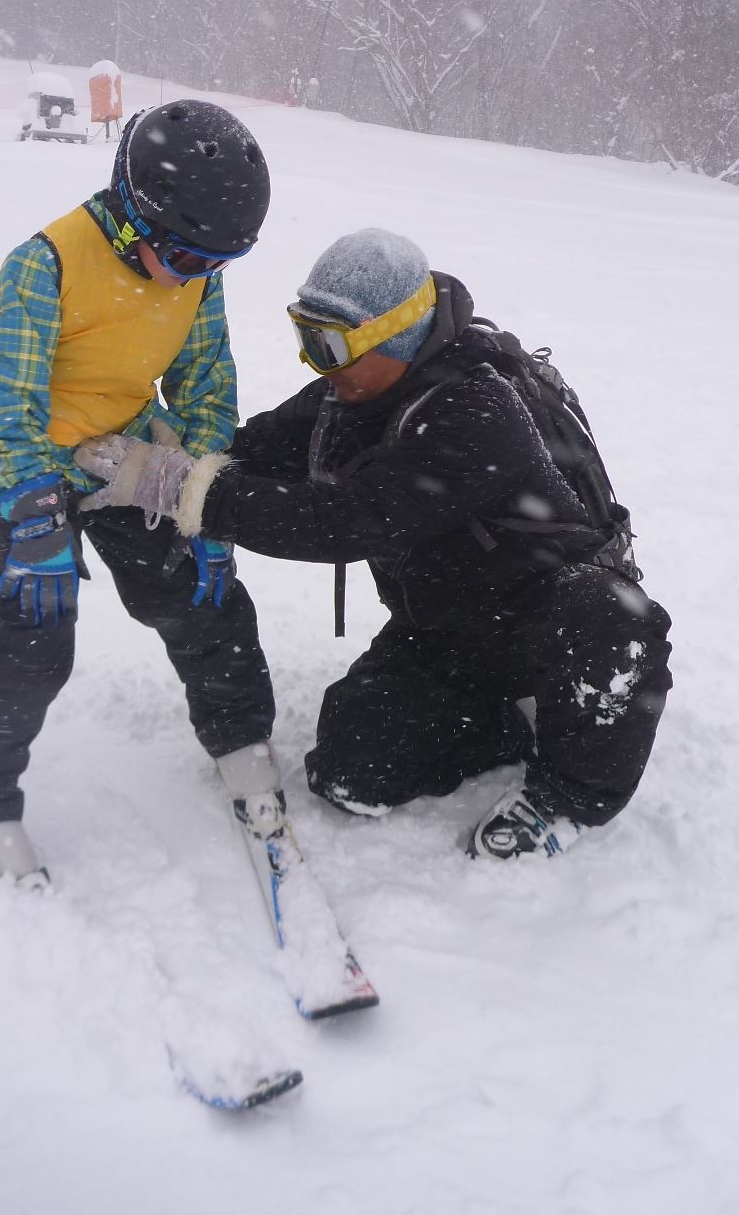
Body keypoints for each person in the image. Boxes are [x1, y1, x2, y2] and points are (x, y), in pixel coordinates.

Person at [75, 228, 673, 862]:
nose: (315, 362)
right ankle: (517, 718)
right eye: (306, 336)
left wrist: (186, 493)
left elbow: (346, 519)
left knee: (607, 615)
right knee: (350, 774)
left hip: (545, 623)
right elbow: (264, 451)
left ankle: (572, 791)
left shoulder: (477, 412)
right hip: (447, 628)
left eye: (328, 344)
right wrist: (179, 462)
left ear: (397, 335)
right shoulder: (354, 389)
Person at [0, 99, 290, 887]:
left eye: (217, 264)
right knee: (33, 629)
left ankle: (240, 736)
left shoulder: (194, 272)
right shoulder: (47, 264)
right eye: (187, 260)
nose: (200, 277)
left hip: (123, 452)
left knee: (198, 592)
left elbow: (204, 374)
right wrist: (29, 506)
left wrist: (203, 479)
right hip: (37, 467)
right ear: (131, 218)